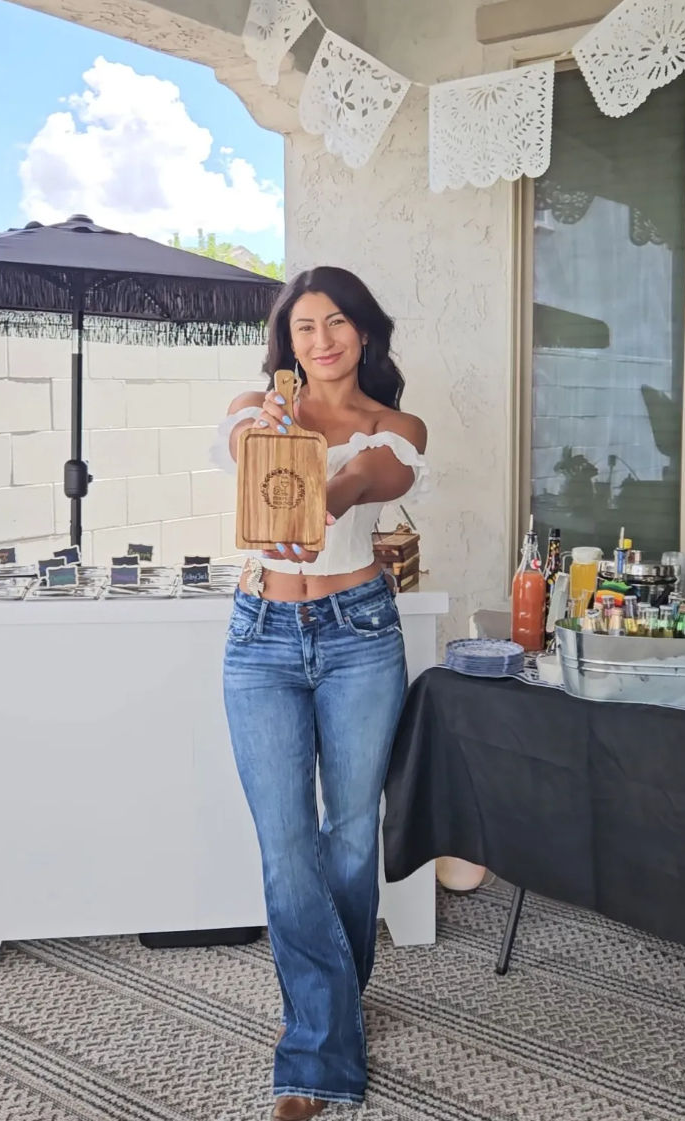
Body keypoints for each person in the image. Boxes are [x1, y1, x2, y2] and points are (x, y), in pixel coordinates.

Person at [214, 266, 428, 1120]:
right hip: (258, 640)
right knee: (285, 845)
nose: (322, 339)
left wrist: (322, 489)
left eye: (337, 322)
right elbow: (241, 450)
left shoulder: (392, 427)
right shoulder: (256, 411)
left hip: (359, 637)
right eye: (303, 327)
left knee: (347, 839)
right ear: (286, 344)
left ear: (364, 333)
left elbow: (371, 479)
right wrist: (270, 442)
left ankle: (324, 1020)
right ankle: (322, 1042)